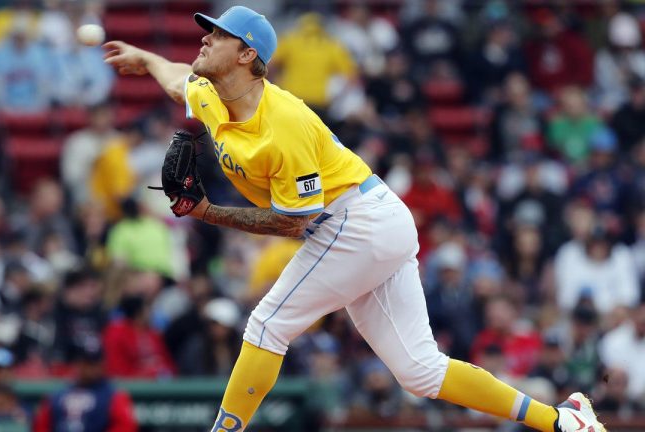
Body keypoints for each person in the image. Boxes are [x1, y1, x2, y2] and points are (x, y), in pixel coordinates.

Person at [103, 5, 606, 431]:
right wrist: (146, 58)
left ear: (247, 54)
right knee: (420, 373)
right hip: (367, 221)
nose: (205, 38)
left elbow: (291, 225)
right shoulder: (214, 95)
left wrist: (208, 213)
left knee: (267, 326)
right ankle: (564, 420)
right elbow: (177, 82)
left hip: (355, 221)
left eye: (217, 34)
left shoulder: (285, 124)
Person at [33, 340, 138, 432]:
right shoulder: (57, 396)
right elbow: (41, 427)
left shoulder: (114, 396)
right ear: (79, 363)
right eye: (87, 363)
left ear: (103, 364)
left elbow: (126, 428)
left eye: (95, 363)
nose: (91, 369)